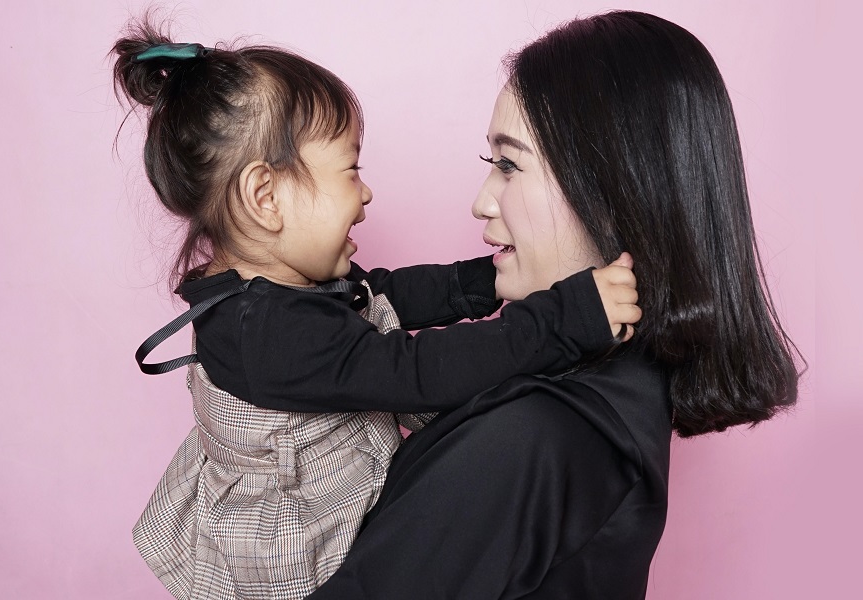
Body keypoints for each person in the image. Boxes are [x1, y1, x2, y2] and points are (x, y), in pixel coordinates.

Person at [111, 19, 642, 600]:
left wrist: (485, 281)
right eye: (350, 170)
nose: (365, 196)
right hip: (295, 557)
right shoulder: (264, 334)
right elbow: (416, 372)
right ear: (266, 198)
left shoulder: (274, 287)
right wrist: (565, 317)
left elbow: (382, 296)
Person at [307, 10, 800, 599]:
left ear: (618, 188)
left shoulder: (531, 438)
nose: (482, 202)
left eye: (510, 164)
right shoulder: (608, 397)